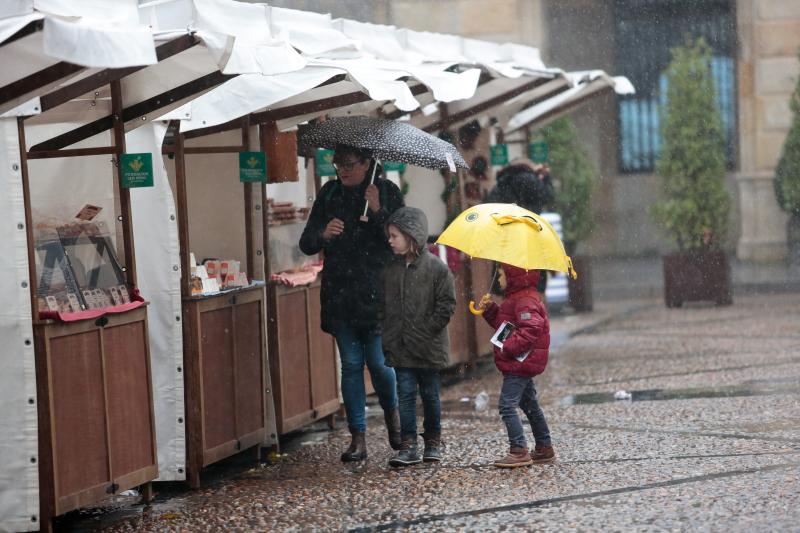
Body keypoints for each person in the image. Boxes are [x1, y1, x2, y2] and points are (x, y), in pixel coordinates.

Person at [299, 144, 405, 462]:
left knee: (380, 365)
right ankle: (357, 437)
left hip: (376, 294)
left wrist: (377, 213)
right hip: (340, 295)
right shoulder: (330, 194)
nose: (343, 170)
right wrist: (323, 233)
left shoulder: (385, 191)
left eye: (349, 164)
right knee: (351, 365)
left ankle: (393, 419)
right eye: (338, 164)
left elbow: (400, 241)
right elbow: (306, 242)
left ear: (367, 163)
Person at [381, 207, 455, 466]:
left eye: (394, 236)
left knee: (430, 394)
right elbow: (384, 306)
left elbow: (446, 305)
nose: (390, 240)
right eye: (389, 235)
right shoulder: (390, 270)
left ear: (412, 237)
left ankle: (433, 440)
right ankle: (408, 444)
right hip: (400, 347)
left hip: (428, 347)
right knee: (405, 395)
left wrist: (426, 331)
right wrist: (389, 335)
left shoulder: (436, 268)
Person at [474, 263, 555, 468]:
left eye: (500, 274)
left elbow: (531, 329)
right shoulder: (515, 299)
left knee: (506, 406)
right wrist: (491, 310)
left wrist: (509, 348)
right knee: (529, 404)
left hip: (520, 363)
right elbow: (508, 326)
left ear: (513, 275)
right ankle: (544, 447)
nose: (498, 279)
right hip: (521, 363)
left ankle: (519, 450)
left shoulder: (525, 300)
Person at [486, 159, 555, 295]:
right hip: (529, 237)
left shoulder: (501, 184)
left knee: (507, 285)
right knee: (531, 285)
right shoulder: (532, 180)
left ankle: (510, 310)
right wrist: (546, 178)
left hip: (506, 242)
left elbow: (489, 208)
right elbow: (548, 196)